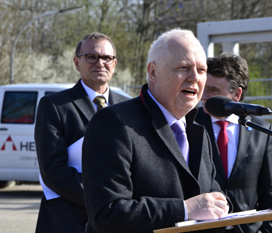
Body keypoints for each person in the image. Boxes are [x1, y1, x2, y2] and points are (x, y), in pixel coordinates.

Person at [82, 28, 231, 233]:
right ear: (153, 72)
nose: (195, 78)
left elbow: (211, 199)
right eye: (183, 67)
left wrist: (222, 207)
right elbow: (107, 213)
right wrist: (185, 210)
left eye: (202, 70)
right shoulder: (113, 123)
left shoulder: (199, 132)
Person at [34, 32, 130, 233]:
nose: (100, 63)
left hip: (117, 218)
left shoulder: (128, 107)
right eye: (92, 57)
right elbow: (53, 170)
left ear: (114, 63)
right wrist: (102, 199)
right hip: (68, 220)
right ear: (77, 63)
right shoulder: (54, 106)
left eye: (107, 58)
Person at [196, 53, 272, 233]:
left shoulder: (261, 130)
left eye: (213, 90)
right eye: (204, 87)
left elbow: (270, 193)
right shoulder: (188, 125)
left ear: (236, 94)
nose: (204, 95)